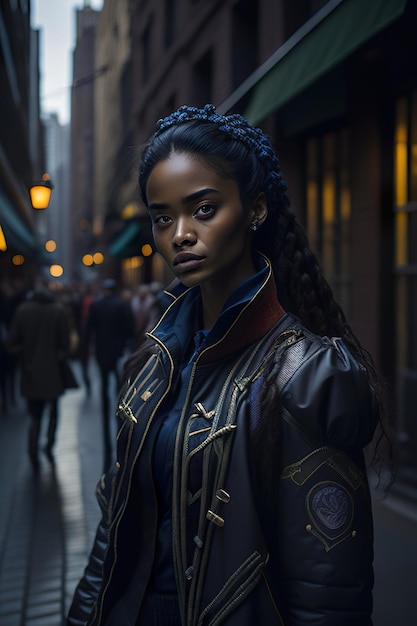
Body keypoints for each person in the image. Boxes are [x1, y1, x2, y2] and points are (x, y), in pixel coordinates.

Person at [68, 104, 395, 625]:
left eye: (203, 209)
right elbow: (113, 536)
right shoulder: (153, 363)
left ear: (256, 209)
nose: (179, 234)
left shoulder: (307, 376)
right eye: (162, 217)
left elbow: (329, 592)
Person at [6, 286, 72, 470]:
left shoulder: (23, 310)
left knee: (35, 415)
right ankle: (49, 445)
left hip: (30, 372)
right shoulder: (58, 311)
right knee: (53, 412)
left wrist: (25, 354)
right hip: (53, 372)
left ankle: (32, 450)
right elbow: (65, 343)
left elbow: (11, 342)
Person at [85, 278, 135, 471]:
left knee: (105, 381)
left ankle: (107, 404)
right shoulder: (122, 305)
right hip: (117, 350)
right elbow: (129, 328)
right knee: (118, 383)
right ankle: (118, 405)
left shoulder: (97, 305)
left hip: (101, 350)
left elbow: (89, 328)